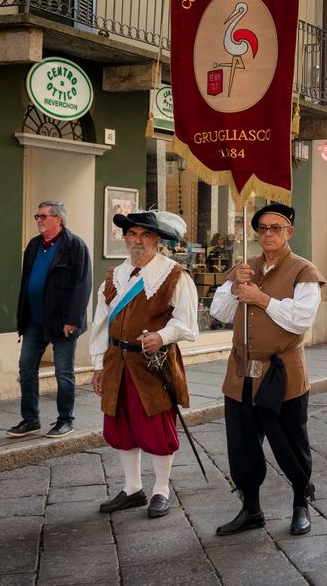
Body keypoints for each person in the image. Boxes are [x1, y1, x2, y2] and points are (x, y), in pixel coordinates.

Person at [211, 203, 325, 537]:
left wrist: (260, 298)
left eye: (275, 228)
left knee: (290, 443)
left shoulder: (303, 271)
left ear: (289, 232)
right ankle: (251, 509)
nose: (268, 234)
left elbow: (302, 318)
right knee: (242, 446)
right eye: (262, 228)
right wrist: (236, 288)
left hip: (281, 374)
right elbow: (219, 312)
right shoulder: (245, 267)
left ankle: (300, 503)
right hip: (240, 373)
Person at [89, 210, 199, 519]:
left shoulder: (175, 275)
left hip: (153, 363)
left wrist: (162, 336)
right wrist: (98, 363)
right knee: (122, 424)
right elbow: (100, 322)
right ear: (125, 239)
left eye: (145, 235)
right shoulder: (114, 276)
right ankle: (133, 488)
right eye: (132, 235)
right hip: (116, 362)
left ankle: (161, 490)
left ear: (158, 240)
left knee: (156, 429)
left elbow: (188, 323)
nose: (137, 241)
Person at [10, 201, 92, 438]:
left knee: (63, 373)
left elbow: (82, 285)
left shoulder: (75, 246)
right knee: (26, 368)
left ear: (59, 219)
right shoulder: (34, 245)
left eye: (43, 216)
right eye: (37, 216)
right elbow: (26, 283)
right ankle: (30, 419)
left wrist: (73, 319)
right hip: (34, 320)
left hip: (62, 321)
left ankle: (65, 420)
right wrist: (22, 317)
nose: (38, 220)